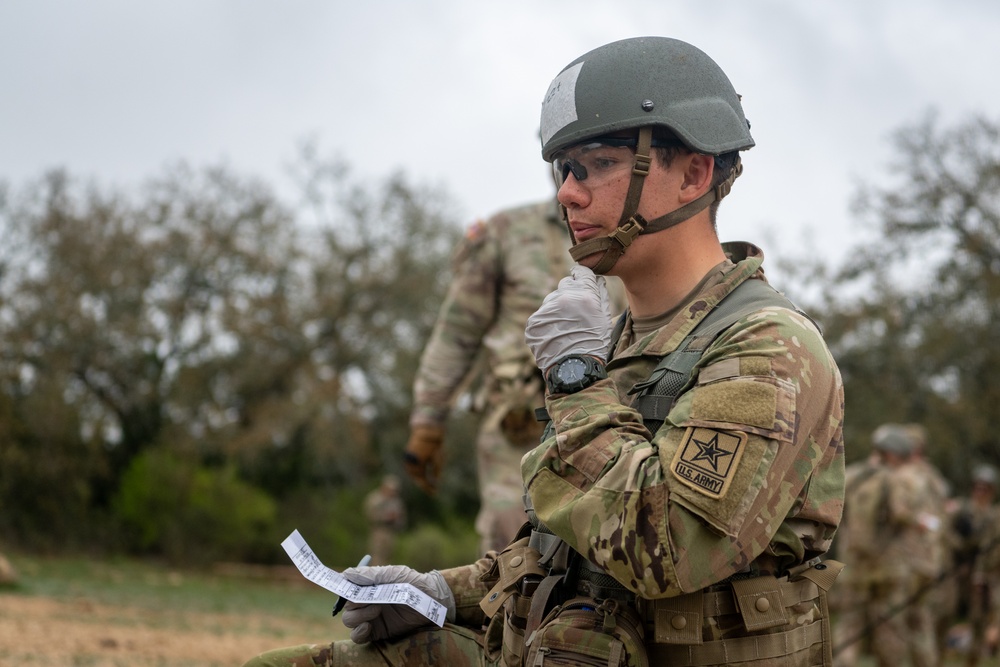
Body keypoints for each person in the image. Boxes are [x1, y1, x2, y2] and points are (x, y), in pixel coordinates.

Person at [242, 35, 845, 667]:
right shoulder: (629, 342)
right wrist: (443, 591)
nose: (567, 194)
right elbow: (566, 550)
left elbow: (668, 549)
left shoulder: (768, 350)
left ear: (693, 173)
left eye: (598, 165)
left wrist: (577, 378)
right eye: (565, 170)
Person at [403, 197, 625, 555]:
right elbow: (458, 330)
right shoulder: (506, 232)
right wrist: (429, 419)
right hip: (517, 429)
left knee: (602, 543)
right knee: (514, 551)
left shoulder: (630, 235)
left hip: (605, 418)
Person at [833, 425, 923, 667]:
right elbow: (903, 516)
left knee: (849, 627)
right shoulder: (895, 480)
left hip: (852, 566)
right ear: (893, 454)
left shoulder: (850, 476)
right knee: (889, 629)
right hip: (888, 569)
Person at [363, 475, 406, 566]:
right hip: (378, 531)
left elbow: (401, 517)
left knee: (389, 557)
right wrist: (385, 517)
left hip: (391, 532)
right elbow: (370, 515)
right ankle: (375, 577)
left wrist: (396, 519)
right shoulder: (375, 498)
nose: (392, 492)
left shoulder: (396, 501)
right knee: (376, 556)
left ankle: (386, 578)